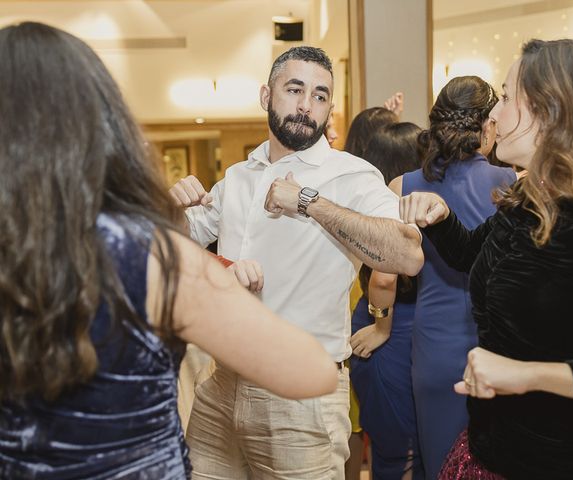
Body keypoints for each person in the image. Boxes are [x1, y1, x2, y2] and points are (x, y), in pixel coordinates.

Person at [0, 22, 339, 480]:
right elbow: (312, 372)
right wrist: (218, 279)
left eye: (319, 94)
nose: (306, 103)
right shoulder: (146, 255)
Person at [172, 46, 424, 480]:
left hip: (299, 396)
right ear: (266, 96)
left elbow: (408, 254)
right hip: (221, 384)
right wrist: (170, 206)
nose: (307, 105)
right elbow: (173, 245)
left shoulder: (351, 175)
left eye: (321, 95)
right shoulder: (237, 177)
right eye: (294, 89)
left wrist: (309, 202)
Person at [400, 38, 573, 480]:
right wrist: (441, 216)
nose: (492, 115)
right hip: (495, 445)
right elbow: (471, 256)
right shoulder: (528, 197)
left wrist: (528, 375)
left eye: (507, 98)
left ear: (553, 111)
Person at [393, 76, 517, 479]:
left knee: (436, 461)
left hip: (431, 342)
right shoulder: (513, 187)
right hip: (494, 345)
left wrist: (380, 323)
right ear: (486, 126)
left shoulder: (405, 187)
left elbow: (385, 272)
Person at [349, 122, 425, 479]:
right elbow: (385, 273)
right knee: (407, 452)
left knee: (389, 450)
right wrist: (382, 326)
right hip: (392, 326)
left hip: (378, 318)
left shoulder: (374, 196)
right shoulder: (407, 199)